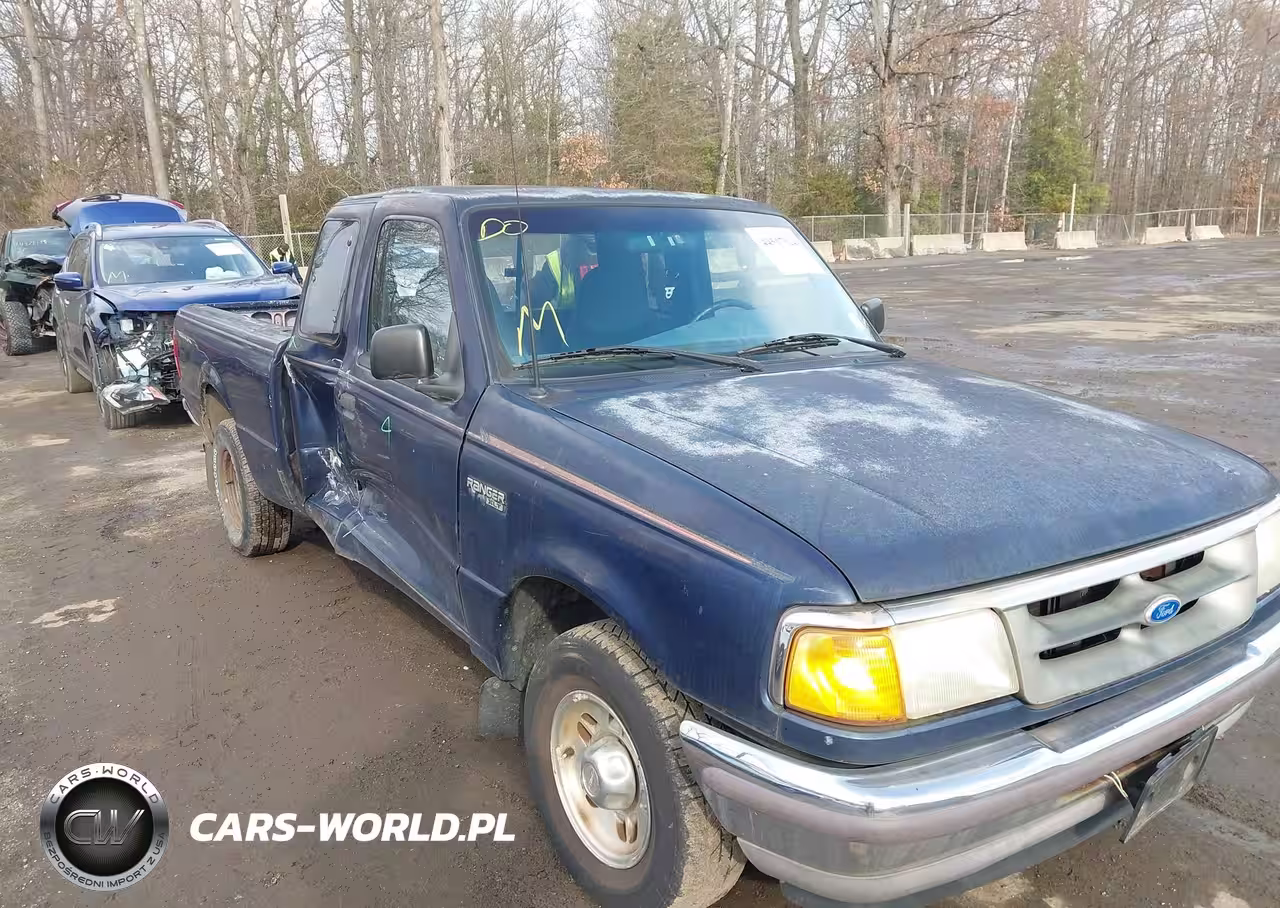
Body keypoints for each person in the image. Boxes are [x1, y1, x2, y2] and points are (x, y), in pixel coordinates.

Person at [527, 235, 592, 312]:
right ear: (569, 248)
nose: (587, 256)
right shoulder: (553, 264)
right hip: (560, 321)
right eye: (585, 249)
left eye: (592, 249)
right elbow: (534, 296)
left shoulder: (595, 263)